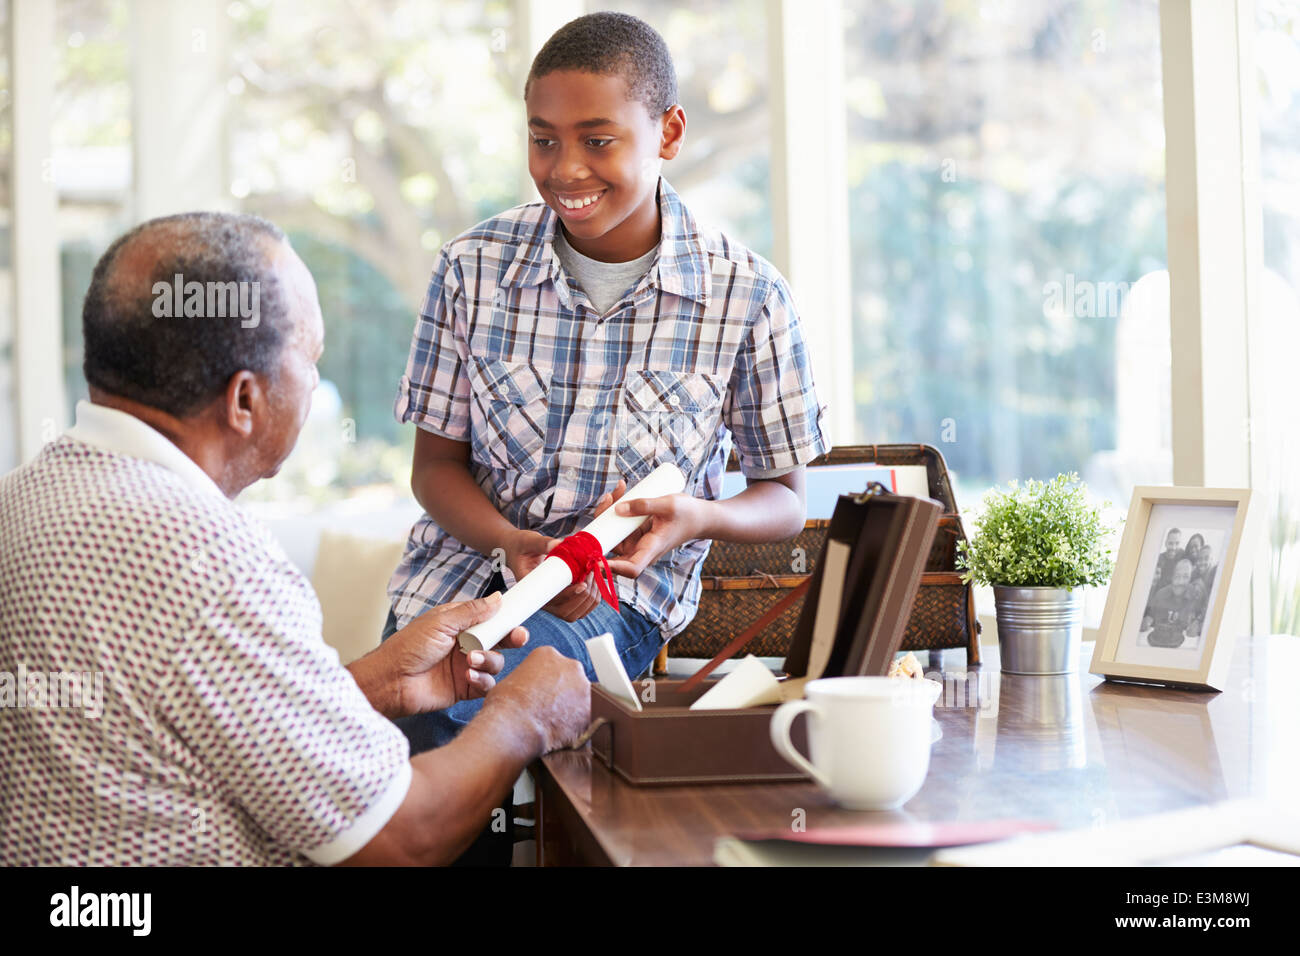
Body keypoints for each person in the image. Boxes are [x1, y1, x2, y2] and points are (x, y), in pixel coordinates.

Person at [0, 212, 589, 866]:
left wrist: (378, 683)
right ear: (244, 401)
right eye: (310, 358)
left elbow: (173, 722)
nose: (314, 382)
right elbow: (405, 837)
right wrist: (523, 715)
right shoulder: (212, 561)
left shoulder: (20, 501)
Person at [385, 12, 828, 753]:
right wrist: (512, 544)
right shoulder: (471, 268)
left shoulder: (748, 295)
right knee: (397, 710)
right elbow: (435, 471)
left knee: (454, 715)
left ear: (669, 133)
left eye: (597, 140)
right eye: (543, 138)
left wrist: (695, 516)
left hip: (617, 596)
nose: (564, 169)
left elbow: (784, 501)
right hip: (459, 572)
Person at [1142, 558, 1197, 648]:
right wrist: (1146, 621)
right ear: (1172, 576)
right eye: (1177, 576)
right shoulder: (1160, 595)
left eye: (1186, 577)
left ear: (1191, 578)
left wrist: (1198, 624)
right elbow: (1149, 617)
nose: (1180, 582)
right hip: (1156, 645)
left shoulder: (1196, 595)